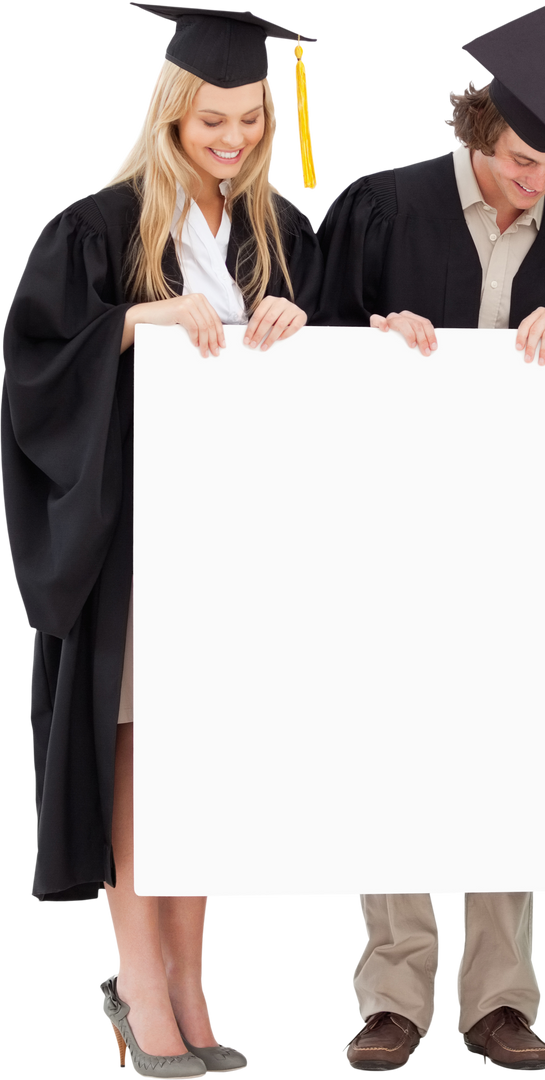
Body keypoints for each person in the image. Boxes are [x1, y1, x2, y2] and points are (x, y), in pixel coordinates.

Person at [314, 1, 545, 1072]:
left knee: (508, 751)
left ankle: (500, 999)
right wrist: (368, 339)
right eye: (518, 160)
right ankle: (394, 995)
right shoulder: (380, 206)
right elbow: (304, 346)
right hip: (392, 532)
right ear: (475, 128)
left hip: (526, 543)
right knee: (395, 749)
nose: (535, 183)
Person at [1, 5, 322, 1078]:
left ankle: (191, 980)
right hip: (134, 546)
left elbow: (324, 384)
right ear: (170, 117)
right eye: (208, 122)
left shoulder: (281, 233)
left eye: (247, 119)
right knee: (137, 754)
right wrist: (132, 325)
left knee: (206, 763)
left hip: (238, 556)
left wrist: (291, 322)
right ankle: (139, 984)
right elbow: (33, 367)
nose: (229, 139)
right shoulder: (98, 229)